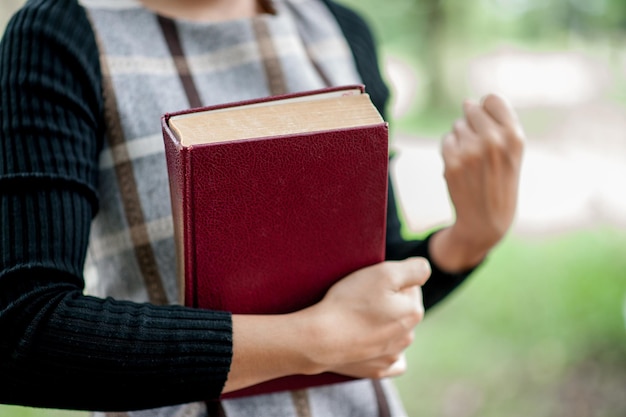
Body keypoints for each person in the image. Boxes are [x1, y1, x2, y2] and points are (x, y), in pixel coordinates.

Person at [0, 0, 525, 416]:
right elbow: (21, 327)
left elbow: (370, 297)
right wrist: (313, 340)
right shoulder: (59, 35)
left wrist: (470, 238)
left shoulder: (340, 29)